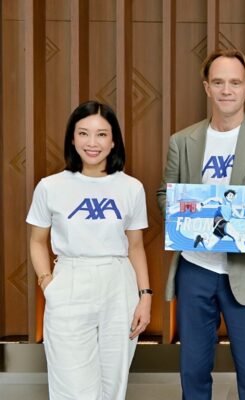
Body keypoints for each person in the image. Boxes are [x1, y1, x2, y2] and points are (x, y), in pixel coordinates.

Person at [157, 48, 245, 400]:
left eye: (235, 82)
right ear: (207, 87)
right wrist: (187, 219)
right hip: (195, 267)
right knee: (193, 369)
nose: (226, 90)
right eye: (218, 82)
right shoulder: (182, 141)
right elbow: (165, 194)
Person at [26, 100, 152, 400]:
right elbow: (37, 240)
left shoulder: (131, 188)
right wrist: (47, 283)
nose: (92, 143)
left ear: (113, 141)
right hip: (70, 279)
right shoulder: (50, 186)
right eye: (83, 133)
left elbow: (135, 246)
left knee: (113, 384)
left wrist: (145, 297)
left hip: (118, 284)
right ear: (72, 138)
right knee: (72, 386)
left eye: (101, 134)